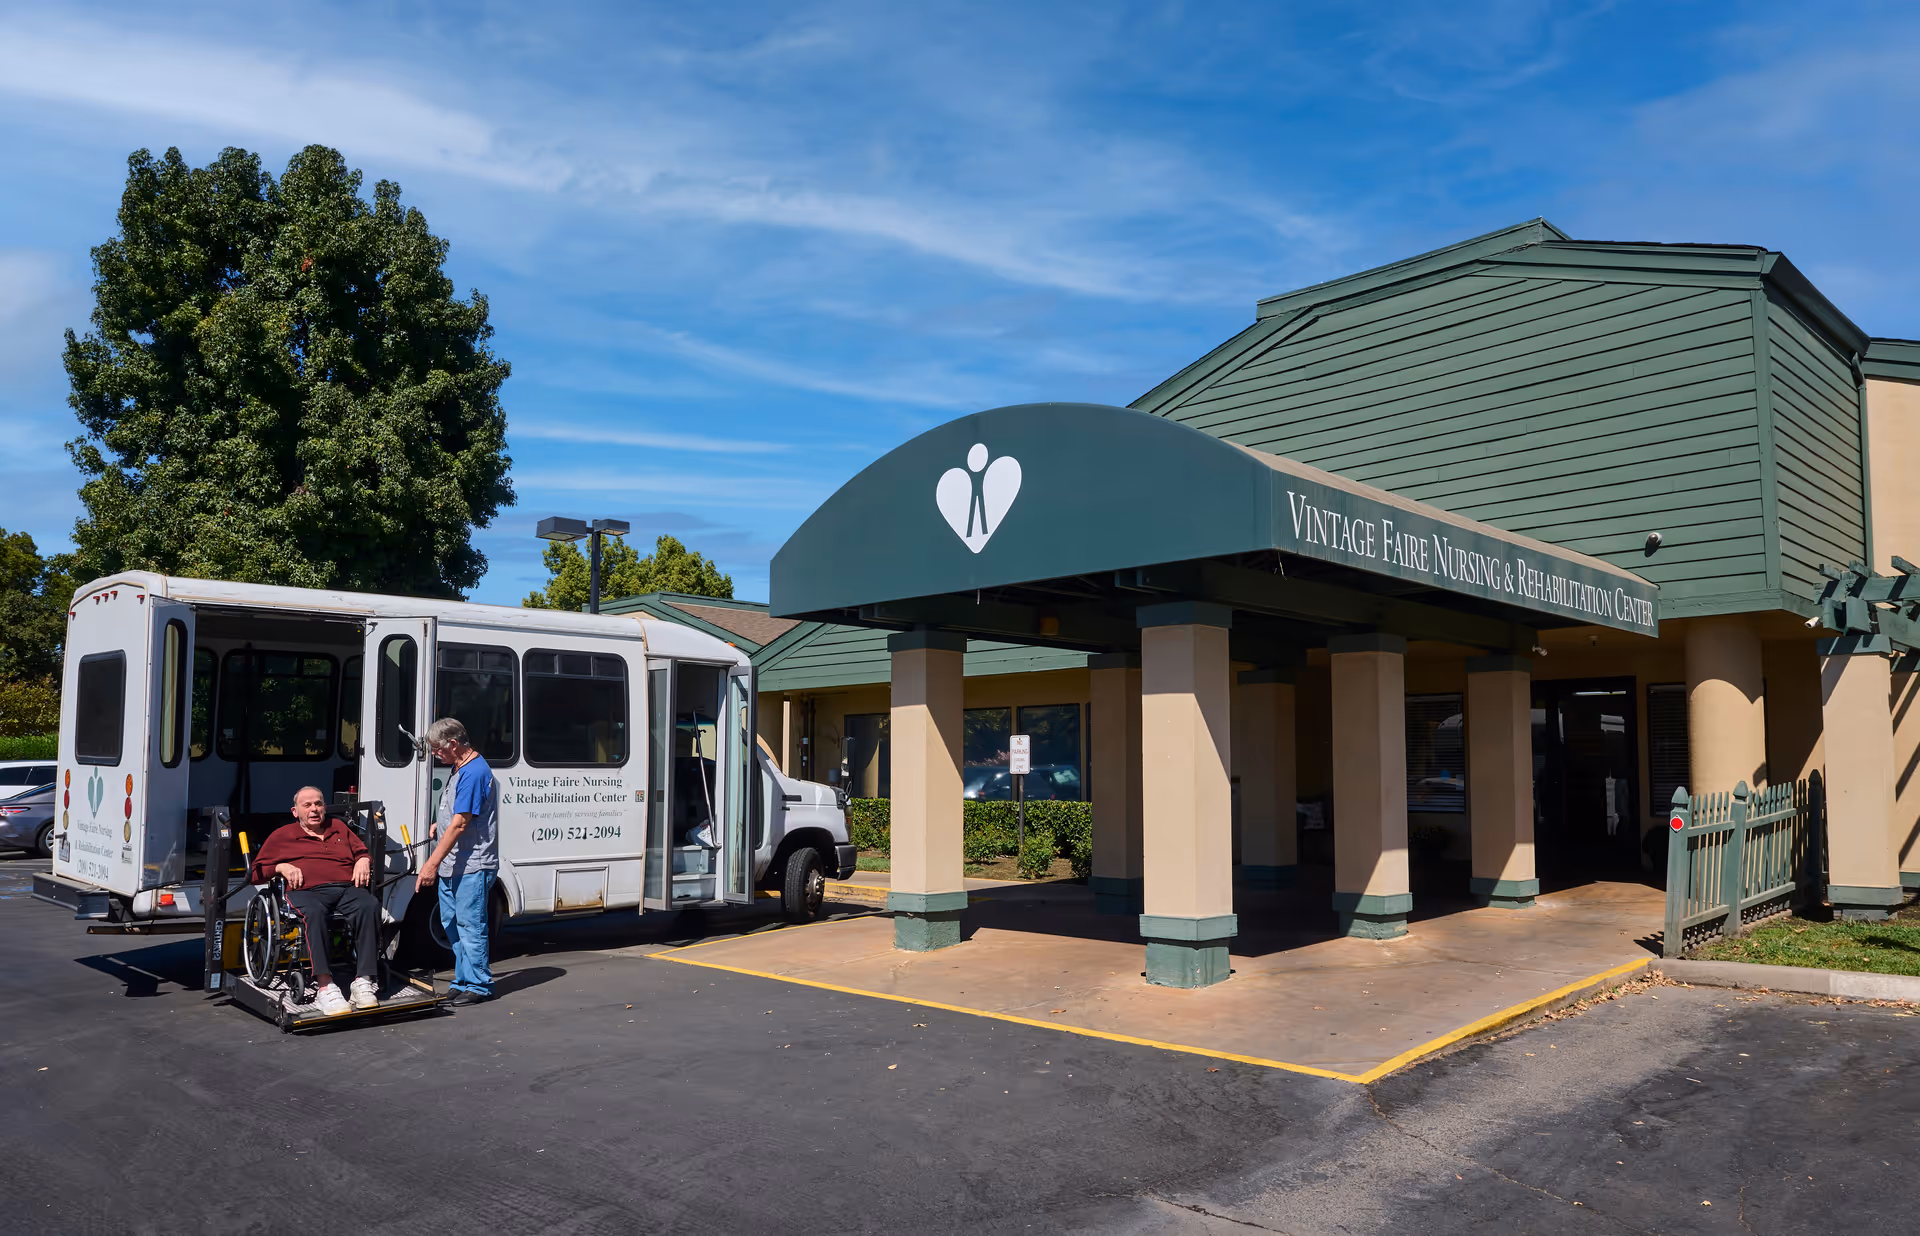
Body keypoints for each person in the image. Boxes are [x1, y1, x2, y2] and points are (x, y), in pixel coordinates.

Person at [251, 786, 382, 1016]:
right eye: (307, 805)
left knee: (369, 905)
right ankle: (324, 986)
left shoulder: (339, 827)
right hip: (307, 891)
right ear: (295, 811)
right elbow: (255, 873)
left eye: (318, 804)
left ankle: (362, 980)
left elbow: (361, 851)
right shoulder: (282, 835)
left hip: (344, 889)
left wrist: (363, 859)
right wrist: (280, 866)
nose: (314, 809)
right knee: (314, 913)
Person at [416, 717, 499, 1005]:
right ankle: (463, 978)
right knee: (451, 921)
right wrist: (439, 824)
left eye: (438, 749)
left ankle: (479, 985)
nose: (436, 754)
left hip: (472, 864)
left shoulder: (474, 772)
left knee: (470, 925)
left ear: (454, 744)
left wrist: (430, 864)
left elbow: (461, 823)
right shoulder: (459, 766)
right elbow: (455, 814)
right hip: (455, 862)